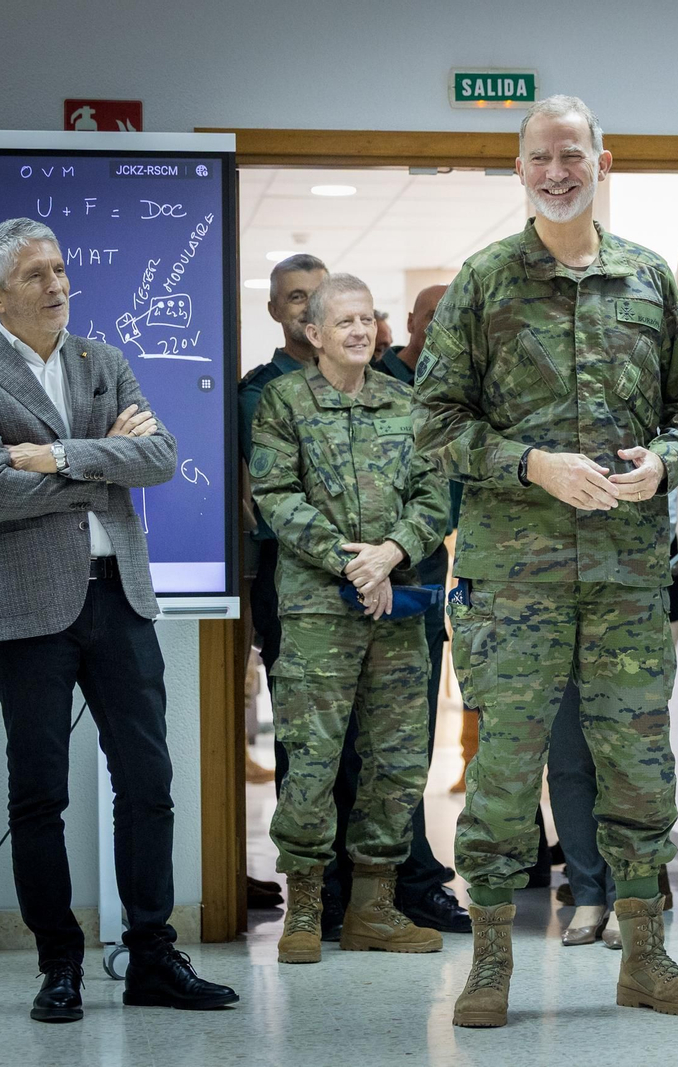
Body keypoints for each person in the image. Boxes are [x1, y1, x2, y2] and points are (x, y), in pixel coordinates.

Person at [416, 94, 678, 1027]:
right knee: (506, 769)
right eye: (540, 157)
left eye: (572, 154)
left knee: (639, 765)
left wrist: (667, 462)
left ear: (603, 161)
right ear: (520, 170)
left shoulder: (648, 281)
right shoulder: (483, 283)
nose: (557, 170)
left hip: (629, 577)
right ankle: (494, 962)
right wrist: (531, 464)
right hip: (515, 582)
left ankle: (646, 956)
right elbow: (432, 424)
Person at [0, 218, 238, 1020]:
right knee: (37, 795)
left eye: (62, 269)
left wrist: (59, 455)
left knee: (150, 782)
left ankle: (151, 956)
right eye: (37, 275)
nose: (58, 285)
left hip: (120, 597)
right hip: (29, 610)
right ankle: (58, 963)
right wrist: (101, 460)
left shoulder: (103, 361)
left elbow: (162, 456)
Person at [249, 274, 450, 965]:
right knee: (311, 758)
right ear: (313, 334)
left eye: (369, 319)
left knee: (396, 760)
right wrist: (351, 560)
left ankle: (374, 907)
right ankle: (305, 908)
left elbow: (435, 492)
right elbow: (273, 495)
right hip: (315, 613)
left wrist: (391, 553)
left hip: (395, 607)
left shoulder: (407, 401)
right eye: (345, 322)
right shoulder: (283, 401)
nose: (361, 331)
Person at [323, 281, 470, 936]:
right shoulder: (373, 383)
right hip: (352, 584)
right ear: (405, 322)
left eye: (453, 316)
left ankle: (411, 878)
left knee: (410, 741)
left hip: (418, 588)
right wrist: (374, 556)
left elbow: (445, 497)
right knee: (350, 744)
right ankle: (353, 888)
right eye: (431, 314)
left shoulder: (465, 389)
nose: (441, 326)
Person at [238, 253, 328, 786]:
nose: (309, 307)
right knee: (303, 733)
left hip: (366, 575)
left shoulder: (369, 384)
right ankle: (311, 870)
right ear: (275, 310)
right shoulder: (261, 392)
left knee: (368, 735)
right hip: (291, 574)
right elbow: (295, 489)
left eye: (318, 294)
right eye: (296, 297)